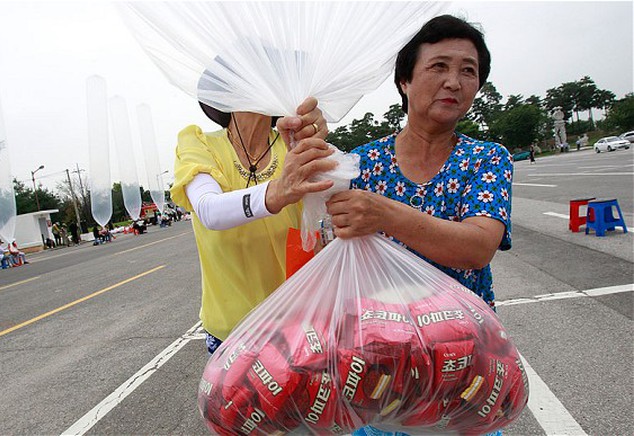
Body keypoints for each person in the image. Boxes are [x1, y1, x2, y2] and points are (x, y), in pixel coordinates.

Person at [323, 16, 510, 435]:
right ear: (405, 81)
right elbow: (325, 236)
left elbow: (476, 247)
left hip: (467, 368)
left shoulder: (487, 159)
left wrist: (384, 213)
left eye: (469, 71)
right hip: (381, 371)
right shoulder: (362, 163)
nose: (454, 82)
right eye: (439, 66)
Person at [170, 95, 333, 354]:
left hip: (300, 322)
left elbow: (334, 197)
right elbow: (209, 210)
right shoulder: (199, 143)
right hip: (234, 333)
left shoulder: (290, 143)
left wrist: (316, 145)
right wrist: (278, 191)